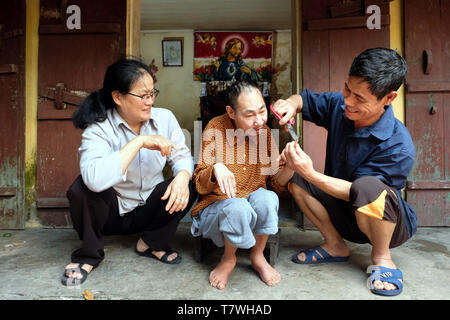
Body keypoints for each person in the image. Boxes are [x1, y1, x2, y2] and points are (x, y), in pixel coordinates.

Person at [274, 48, 417, 297]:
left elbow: (361, 194)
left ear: (389, 98)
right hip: (343, 213)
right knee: (295, 179)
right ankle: (335, 245)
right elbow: (304, 100)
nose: (348, 100)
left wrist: (311, 173)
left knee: (368, 187)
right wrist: (289, 104)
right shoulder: (340, 106)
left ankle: (382, 258)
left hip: (383, 223)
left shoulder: (398, 144)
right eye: (347, 88)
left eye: (360, 98)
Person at [61, 59, 197, 286]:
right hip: (111, 215)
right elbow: (94, 179)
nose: (150, 101)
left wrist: (183, 176)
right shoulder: (99, 128)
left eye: (152, 93)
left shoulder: (165, 118)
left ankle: (151, 242)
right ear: (118, 97)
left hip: (150, 210)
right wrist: (140, 142)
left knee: (190, 182)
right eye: (143, 96)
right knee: (81, 188)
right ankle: (89, 256)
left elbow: (182, 156)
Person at [191, 81, 294, 290]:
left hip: (250, 205)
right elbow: (199, 183)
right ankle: (228, 259)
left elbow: (275, 182)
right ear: (231, 112)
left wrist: (291, 167)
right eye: (249, 115)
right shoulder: (215, 129)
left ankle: (257, 256)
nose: (259, 121)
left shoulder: (264, 133)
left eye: (262, 111)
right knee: (238, 206)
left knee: (268, 198)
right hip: (217, 209)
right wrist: (215, 168)